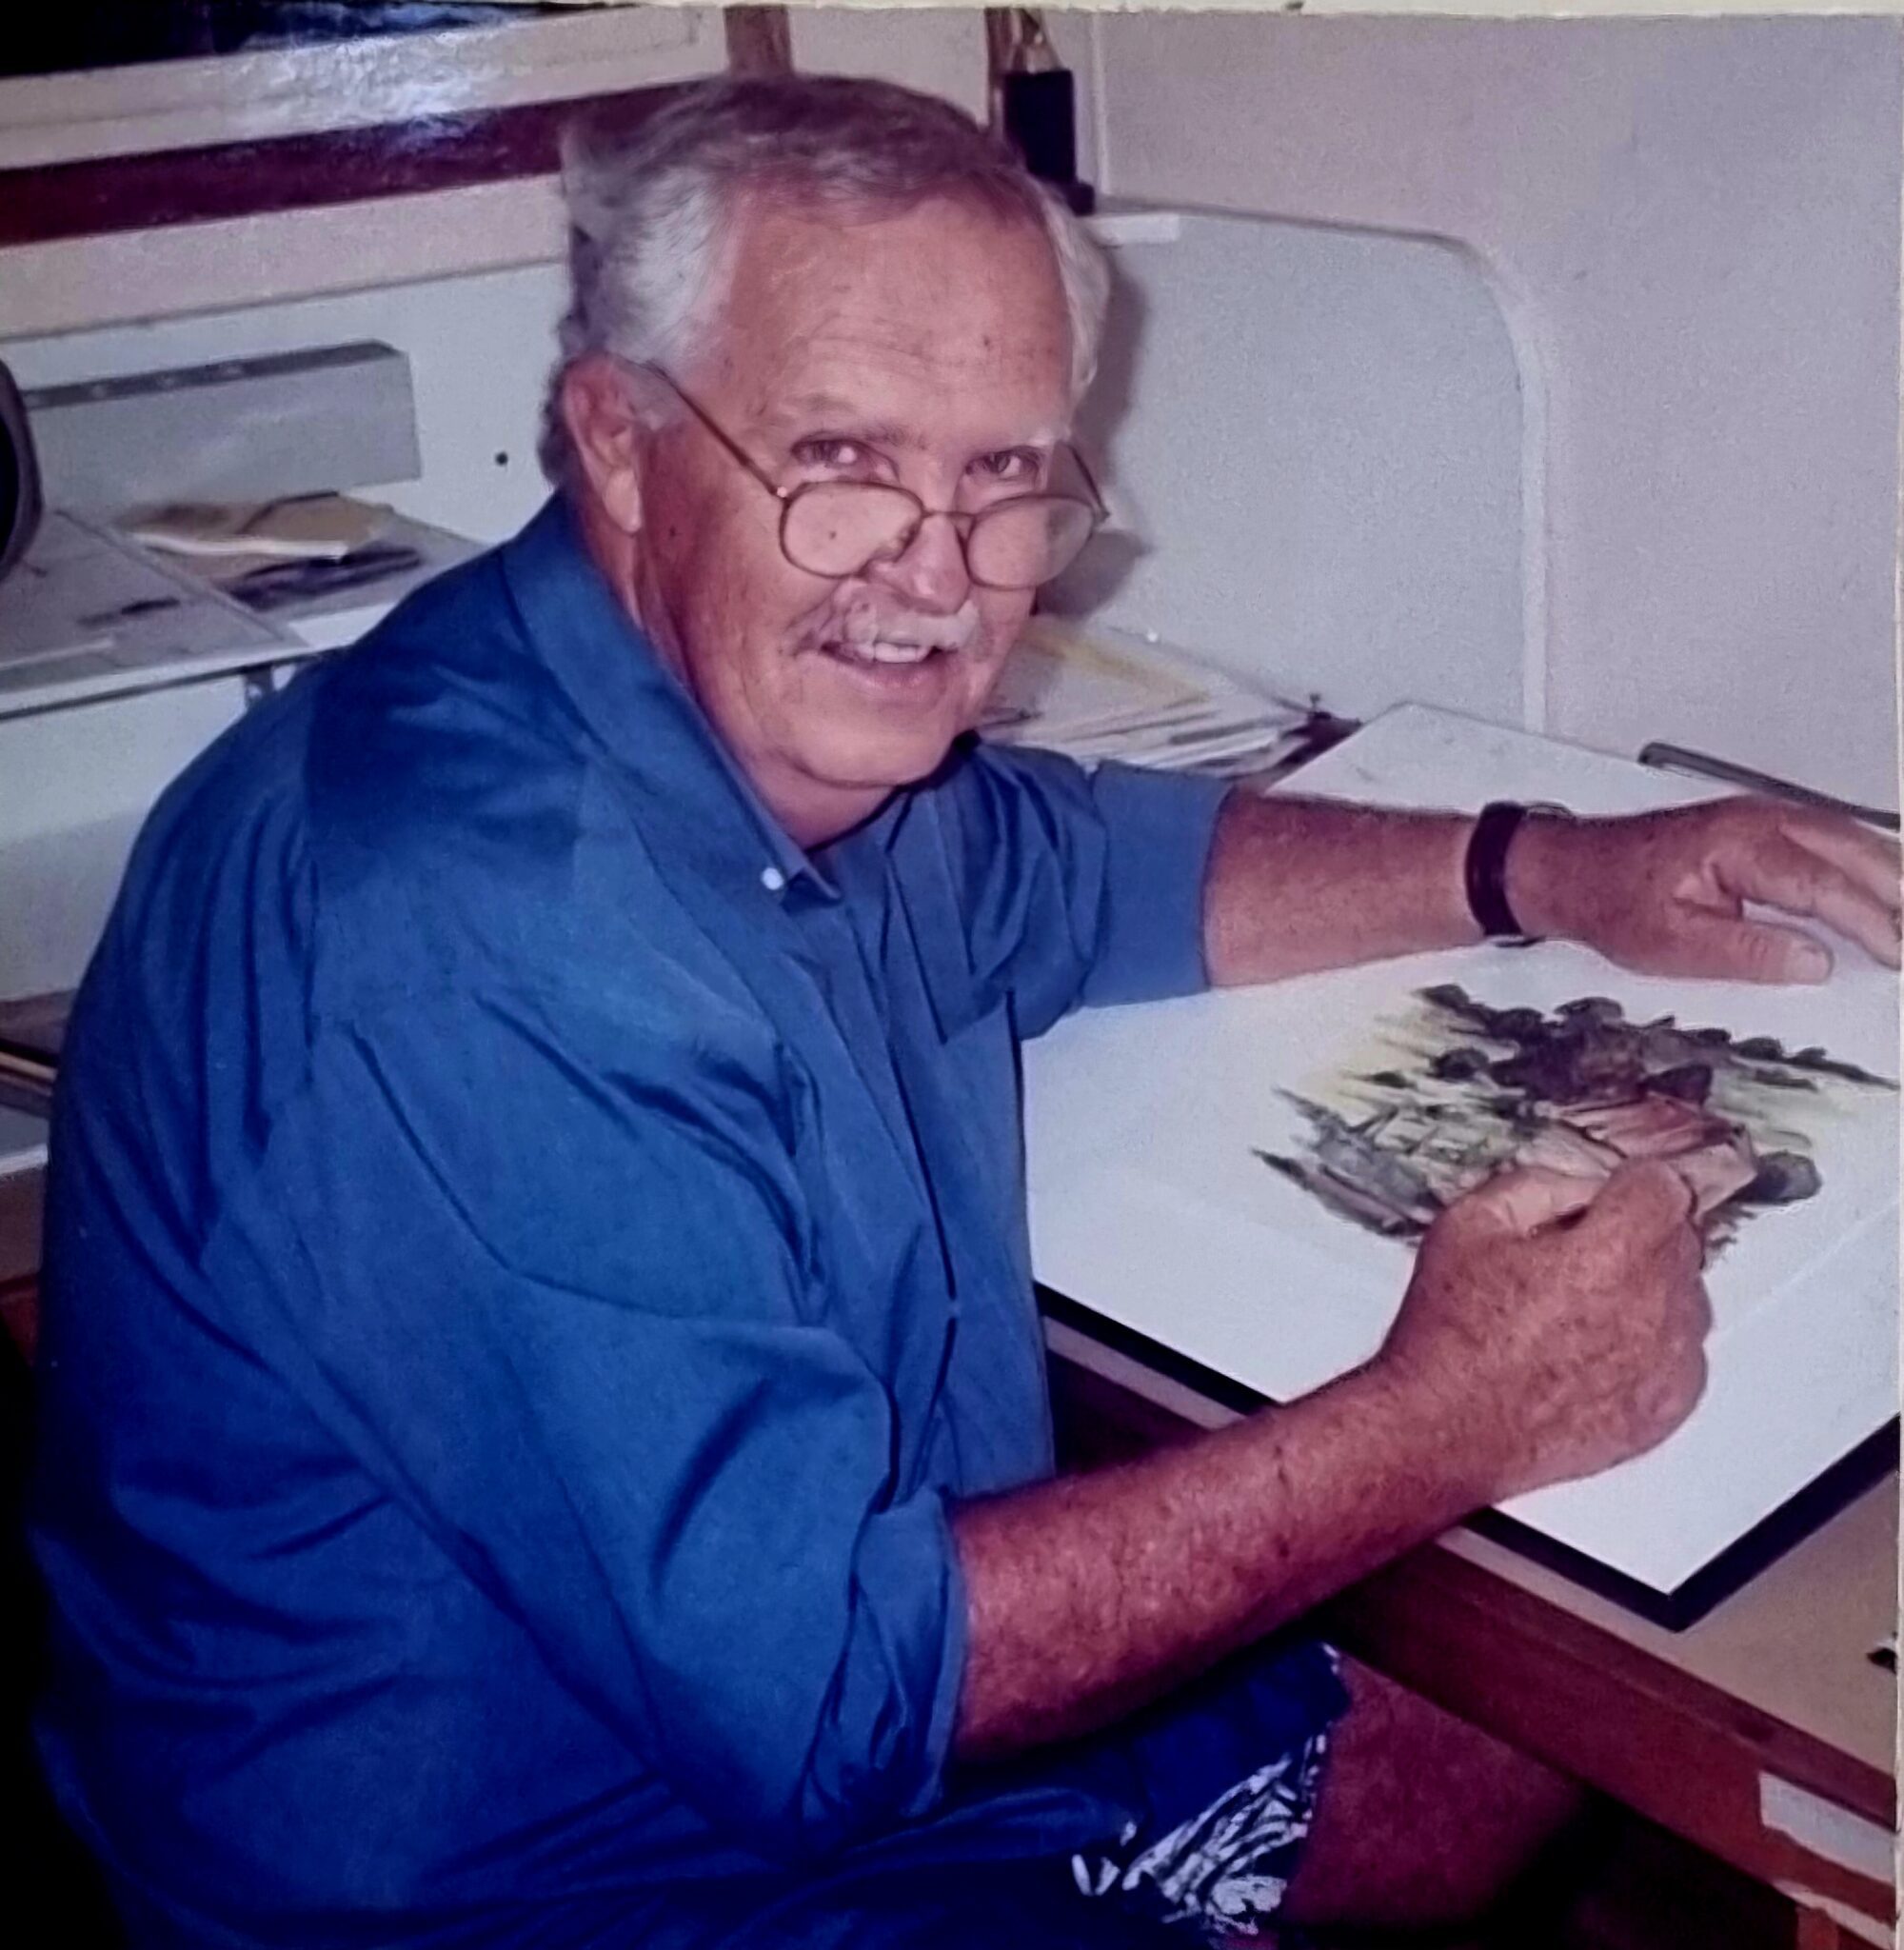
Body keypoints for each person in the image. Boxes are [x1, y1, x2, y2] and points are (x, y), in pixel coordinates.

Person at [29, 75, 1899, 1950]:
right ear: (616, 442)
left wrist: (1547, 865)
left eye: (1005, 475)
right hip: (555, 1883)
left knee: (1497, 1708)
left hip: (808, 1756)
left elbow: (1097, 869)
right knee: (1491, 1605)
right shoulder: (469, 927)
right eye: (840, 462)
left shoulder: (764, 735)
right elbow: (831, 1693)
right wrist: (1442, 1417)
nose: (932, 571)